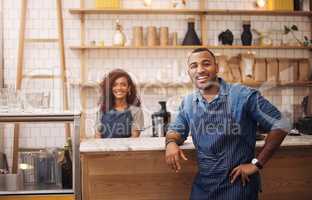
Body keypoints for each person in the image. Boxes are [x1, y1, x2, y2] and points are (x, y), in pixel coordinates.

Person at [165, 48, 289, 200]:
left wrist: (256, 164)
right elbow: (176, 130)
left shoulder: (243, 95)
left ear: (216, 68)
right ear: (189, 72)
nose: (200, 70)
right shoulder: (189, 102)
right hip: (204, 188)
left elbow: (281, 123)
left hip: (238, 187)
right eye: (194, 66)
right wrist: (171, 143)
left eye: (206, 64)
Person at [95, 69, 144, 138]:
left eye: (123, 85)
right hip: (105, 148)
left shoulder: (136, 111)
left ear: (128, 88)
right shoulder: (102, 109)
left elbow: (134, 139)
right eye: (115, 85)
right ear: (110, 88)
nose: (119, 88)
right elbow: (97, 136)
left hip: (126, 148)